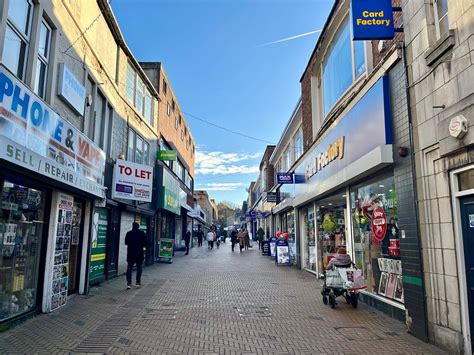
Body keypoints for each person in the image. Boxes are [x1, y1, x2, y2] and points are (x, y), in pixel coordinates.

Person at [125, 222, 147, 289]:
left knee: (129, 268)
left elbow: (126, 242)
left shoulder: (129, 233)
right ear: (138, 227)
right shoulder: (142, 233)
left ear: (132, 226)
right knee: (139, 268)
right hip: (139, 253)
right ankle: (138, 282)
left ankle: (129, 283)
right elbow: (145, 243)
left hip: (131, 253)